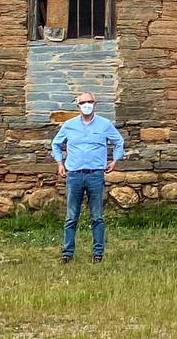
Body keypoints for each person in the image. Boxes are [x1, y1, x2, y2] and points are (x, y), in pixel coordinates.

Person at [51, 91, 125, 264]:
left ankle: (98, 252)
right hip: (74, 175)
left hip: (95, 175)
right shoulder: (69, 125)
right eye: (83, 102)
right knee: (71, 216)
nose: (87, 105)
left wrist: (115, 160)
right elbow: (56, 144)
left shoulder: (104, 124)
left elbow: (118, 141)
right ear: (78, 106)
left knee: (97, 216)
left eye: (90, 101)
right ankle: (67, 253)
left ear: (94, 103)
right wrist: (60, 163)